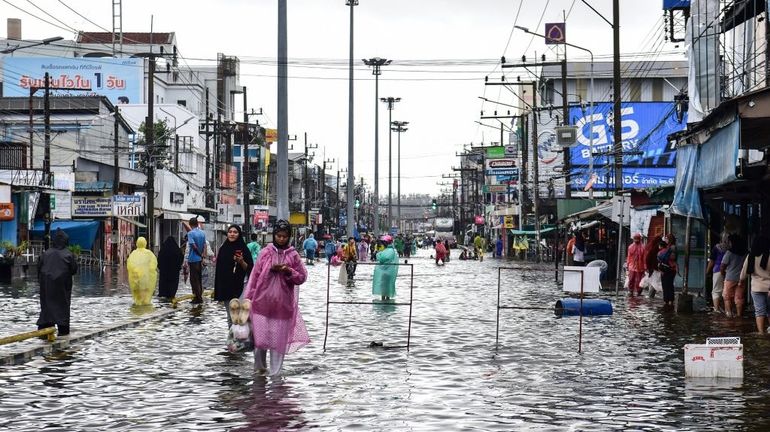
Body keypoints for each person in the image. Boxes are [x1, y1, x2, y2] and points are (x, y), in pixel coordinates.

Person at [243, 219, 309, 375]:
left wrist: (288, 271)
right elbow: (254, 276)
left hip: (282, 306)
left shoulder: (293, 256)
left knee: (278, 345)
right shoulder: (265, 253)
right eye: (278, 236)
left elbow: (302, 277)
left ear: (289, 237)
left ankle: (276, 378)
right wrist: (248, 299)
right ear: (274, 235)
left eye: (284, 236)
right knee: (259, 343)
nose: (281, 239)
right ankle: (259, 374)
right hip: (261, 304)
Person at [36, 229, 78, 336]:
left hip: (46, 287)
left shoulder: (45, 254)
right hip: (62, 288)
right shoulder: (68, 255)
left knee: (46, 310)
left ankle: (44, 330)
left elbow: (39, 269)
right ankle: (62, 331)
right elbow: (74, 270)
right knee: (62, 311)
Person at [213, 225, 254, 327]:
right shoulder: (223, 248)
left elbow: (250, 269)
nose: (232, 234)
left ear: (239, 234)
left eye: (235, 232)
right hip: (226, 287)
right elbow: (219, 271)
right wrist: (219, 289)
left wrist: (241, 261)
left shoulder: (244, 249)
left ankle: (243, 338)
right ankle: (232, 339)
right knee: (230, 316)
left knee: (241, 315)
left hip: (241, 286)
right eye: (230, 232)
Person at [738, 236, 770, 333]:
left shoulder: (750, 256)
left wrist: (740, 281)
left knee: (759, 311)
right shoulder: (769, 256)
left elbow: (744, 273)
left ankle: (761, 333)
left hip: (756, 288)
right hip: (769, 288)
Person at [721, 233, 748, 318]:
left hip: (730, 278)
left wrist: (723, 274)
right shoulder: (745, 253)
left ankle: (729, 315)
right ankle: (739, 315)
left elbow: (722, 266)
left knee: (727, 297)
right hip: (741, 278)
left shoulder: (729, 253)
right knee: (739, 298)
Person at [127, 236, 158, 306]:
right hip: (146, 279)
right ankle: (144, 307)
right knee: (145, 297)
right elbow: (154, 264)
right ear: (145, 243)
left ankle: (138, 306)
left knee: (137, 298)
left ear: (137, 243)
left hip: (135, 279)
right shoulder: (149, 253)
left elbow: (129, 265)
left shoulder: (133, 253)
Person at [706, 233, 729, 313]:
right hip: (729, 272)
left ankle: (716, 309)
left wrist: (707, 271)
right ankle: (726, 309)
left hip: (718, 270)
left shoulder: (717, 248)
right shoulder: (730, 248)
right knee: (725, 291)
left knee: (716, 291)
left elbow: (712, 261)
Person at [186, 216, 207, 303]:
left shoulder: (190, 233)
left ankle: (198, 298)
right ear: (197, 224)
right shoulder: (202, 233)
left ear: (190, 225)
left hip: (193, 259)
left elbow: (193, 246)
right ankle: (198, 296)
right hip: (199, 259)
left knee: (193, 279)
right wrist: (203, 256)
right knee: (199, 279)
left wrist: (199, 254)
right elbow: (205, 245)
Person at [373, 235, 399, 300]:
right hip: (388, 272)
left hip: (386, 273)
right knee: (386, 288)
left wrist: (378, 254)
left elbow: (382, 258)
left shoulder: (389, 251)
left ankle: (385, 302)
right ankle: (385, 301)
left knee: (385, 288)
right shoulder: (391, 250)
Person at [657, 234, 678, 307]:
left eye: (667, 238)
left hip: (669, 268)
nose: (665, 240)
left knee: (667, 285)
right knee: (667, 285)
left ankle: (669, 301)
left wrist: (664, 255)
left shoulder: (672, 247)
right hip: (667, 268)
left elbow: (673, 257)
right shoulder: (668, 247)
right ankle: (668, 301)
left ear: (670, 239)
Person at [626, 233, 646, 297]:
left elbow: (644, 258)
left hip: (640, 266)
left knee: (639, 280)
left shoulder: (643, 247)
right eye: (635, 239)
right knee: (631, 278)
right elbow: (629, 257)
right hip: (632, 266)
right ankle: (631, 290)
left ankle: (639, 291)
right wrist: (627, 265)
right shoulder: (631, 247)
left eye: (637, 239)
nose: (636, 240)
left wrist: (645, 266)